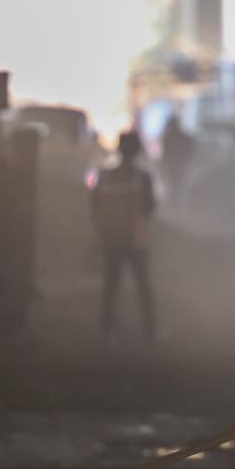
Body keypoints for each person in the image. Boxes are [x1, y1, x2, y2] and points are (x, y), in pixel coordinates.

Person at [90, 131, 157, 339]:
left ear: (119, 149)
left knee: (111, 286)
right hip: (136, 240)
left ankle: (106, 331)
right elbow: (150, 207)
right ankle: (151, 332)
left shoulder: (105, 176)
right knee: (143, 286)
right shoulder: (143, 177)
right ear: (138, 151)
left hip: (111, 239)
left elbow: (94, 207)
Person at [159, 112, 197, 200]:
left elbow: (165, 156)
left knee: (174, 185)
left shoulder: (169, 138)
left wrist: (164, 166)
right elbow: (191, 151)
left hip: (174, 166)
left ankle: (176, 202)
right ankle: (180, 203)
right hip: (181, 166)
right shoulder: (185, 137)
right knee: (181, 185)